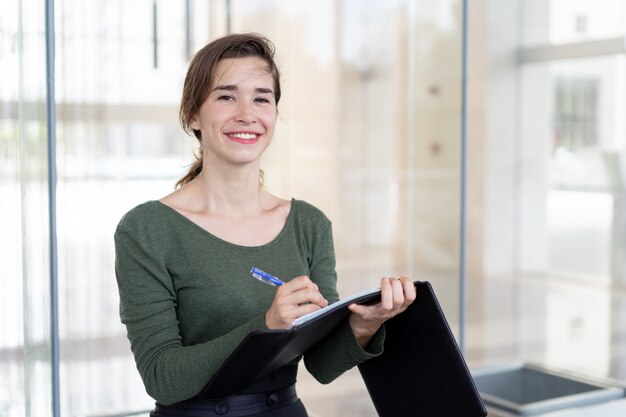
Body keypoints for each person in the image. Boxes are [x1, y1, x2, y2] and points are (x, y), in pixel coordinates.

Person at [114, 32, 416, 417]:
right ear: (193, 115)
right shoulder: (146, 229)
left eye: (262, 98)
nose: (247, 113)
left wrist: (364, 325)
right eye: (226, 96)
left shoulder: (308, 224)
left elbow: (321, 366)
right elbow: (162, 378)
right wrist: (267, 325)